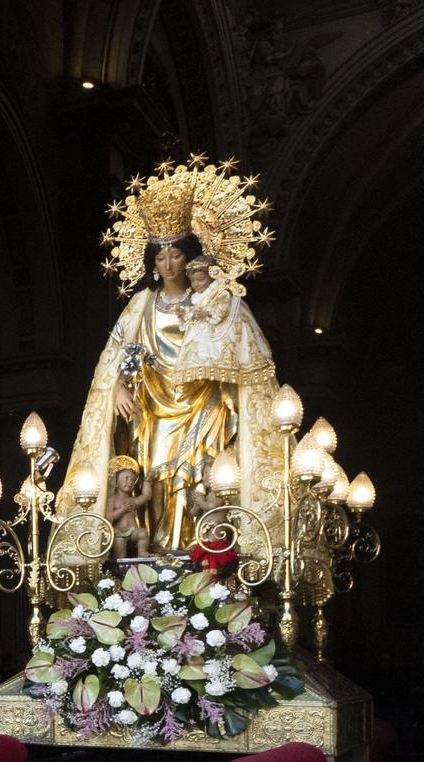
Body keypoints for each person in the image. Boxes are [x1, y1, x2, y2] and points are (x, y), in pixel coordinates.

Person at [68, 161, 277, 553]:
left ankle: (198, 547)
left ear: (191, 258)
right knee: (153, 473)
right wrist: (116, 390)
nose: (167, 264)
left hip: (203, 402)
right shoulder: (141, 304)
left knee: (199, 473)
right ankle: (157, 548)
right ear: (151, 261)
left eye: (176, 255)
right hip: (151, 404)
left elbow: (240, 351)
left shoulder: (216, 301)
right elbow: (119, 354)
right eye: (160, 257)